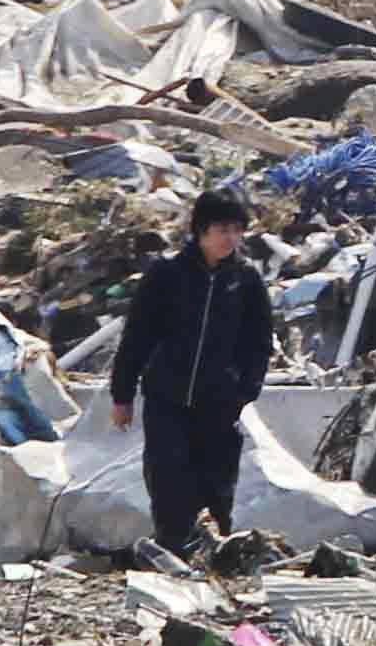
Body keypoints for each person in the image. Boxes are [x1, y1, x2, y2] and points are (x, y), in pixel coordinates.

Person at [110, 188, 273, 558]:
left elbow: (259, 342)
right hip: (167, 398)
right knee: (168, 479)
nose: (229, 238)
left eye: (236, 230)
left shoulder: (245, 280)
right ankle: (173, 555)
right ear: (201, 230)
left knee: (216, 483)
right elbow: (137, 336)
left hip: (219, 402)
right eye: (221, 229)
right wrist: (122, 394)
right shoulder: (167, 274)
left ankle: (215, 558)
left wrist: (244, 391)